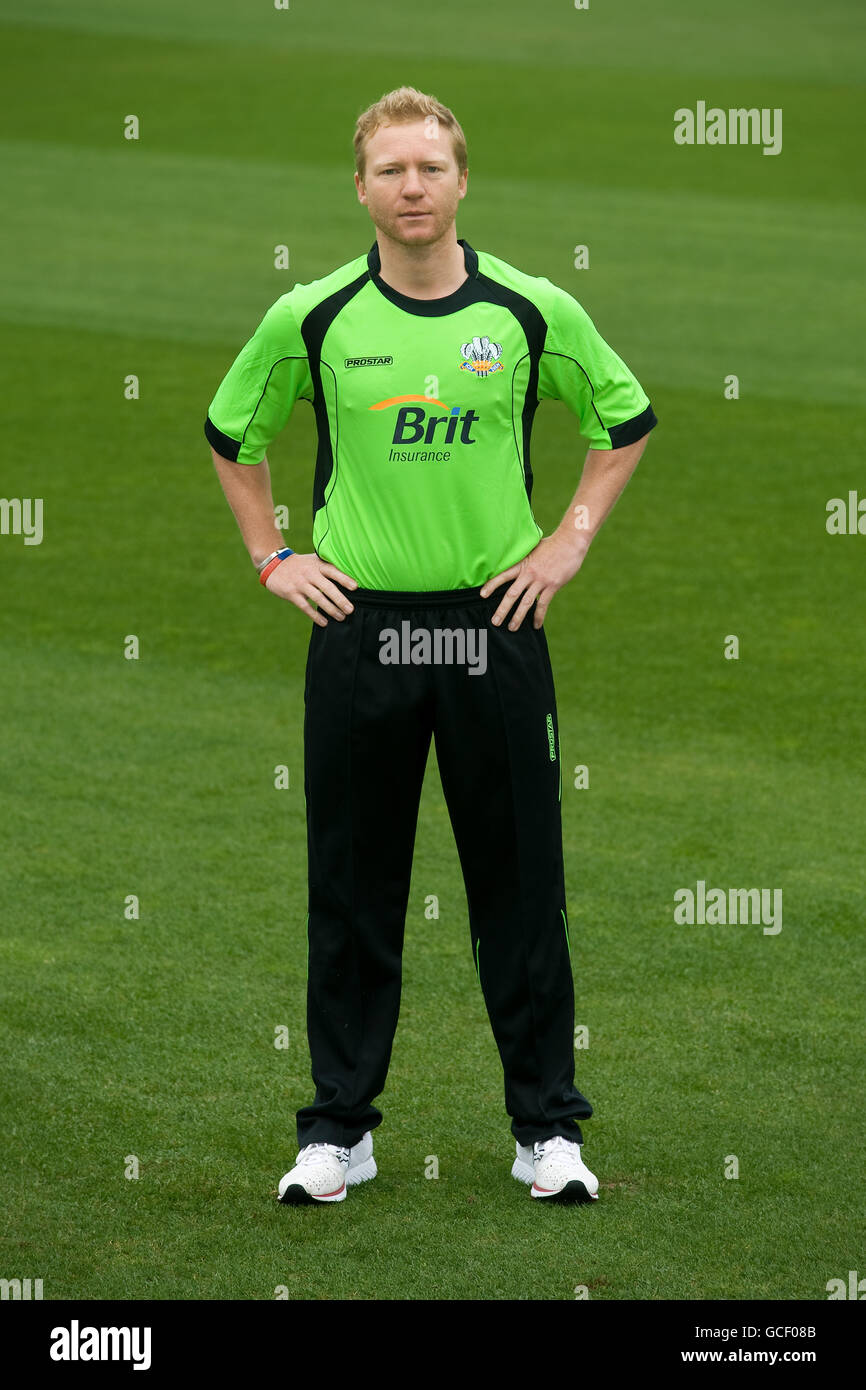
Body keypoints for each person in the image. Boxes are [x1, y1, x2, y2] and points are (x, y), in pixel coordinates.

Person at [204, 86, 657, 1207]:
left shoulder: (527, 310)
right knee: (353, 889)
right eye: (391, 170)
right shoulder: (310, 316)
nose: (412, 187)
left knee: (520, 884)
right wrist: (273, 557)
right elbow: (232, 434)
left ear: (462, 182)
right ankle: (336, 1133)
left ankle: (546, 1132)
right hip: (360, 630)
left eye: (430, 168)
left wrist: (565, 545)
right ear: (358, 187)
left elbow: (623, 420)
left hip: (493, 628)